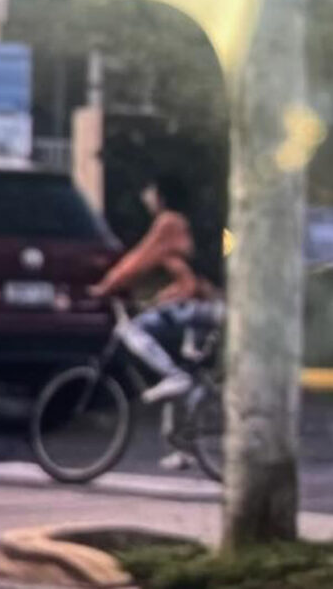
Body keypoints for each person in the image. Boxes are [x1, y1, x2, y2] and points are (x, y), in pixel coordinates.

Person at [88, 174, 224, 468]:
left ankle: (175, 380)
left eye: (149, 190)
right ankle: (188, 449)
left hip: (200, 308)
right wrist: (159, 300)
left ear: (161, 195)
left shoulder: (169, 223)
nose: (145, 196)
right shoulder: (185, 223)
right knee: (188, 375)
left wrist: (105, 286)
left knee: (133, 330)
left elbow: (139, 260)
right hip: (210, 305)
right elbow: (187, 276)